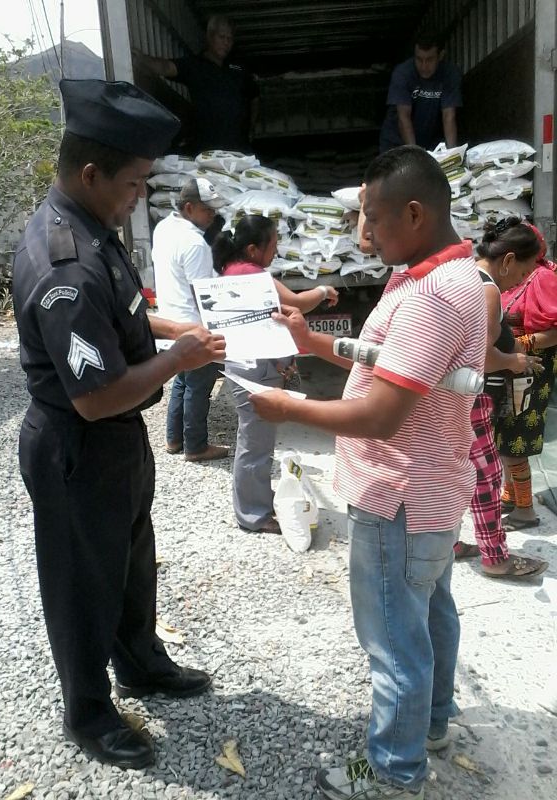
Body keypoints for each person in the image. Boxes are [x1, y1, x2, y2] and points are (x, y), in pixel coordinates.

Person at [250, 146, 487, 799]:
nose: (366, 233)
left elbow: (381, 415)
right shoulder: (441, 274)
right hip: (430, 491)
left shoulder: (433, 296)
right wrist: (315, 342)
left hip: (398, 495)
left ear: (413, 213)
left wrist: (288, 407)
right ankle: (431, 726)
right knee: (430, 614)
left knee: (393, 642)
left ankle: (392, 769)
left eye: (374, 219)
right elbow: (386, 356)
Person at [12, 78, 226, 770]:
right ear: (90, 173)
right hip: (79, 444)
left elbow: (124, 315)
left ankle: (140, 662)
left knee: (130, 559)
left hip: (117, 441)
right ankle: (89, 714)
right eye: (132, 183)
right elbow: (96, 396)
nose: (139, 196)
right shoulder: (64, 265)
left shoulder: (95, 231)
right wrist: (180, 360)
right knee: (82, 581)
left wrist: (175, 330)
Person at [212, 215, 338, 534]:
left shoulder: (231, 270)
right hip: (254, 368)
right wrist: (323, 289)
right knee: (255, 442)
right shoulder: (253, 275)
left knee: (254, 439)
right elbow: (297, 303)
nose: (276, 251)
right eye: (273, 245)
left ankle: (256, 503)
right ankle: (253, 515)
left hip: (245, 364)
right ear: (253, 249)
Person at [453, 218, 548, 579]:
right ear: (508, 261)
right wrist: (514, 361)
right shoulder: (488, 289)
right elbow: (480, 354)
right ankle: (495, 558)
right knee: (487, 476)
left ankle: (449, 542)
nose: (521, 281)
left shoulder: (462, 273)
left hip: (450, 392)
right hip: (471, 394)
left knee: (454, 471)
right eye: (523, 272)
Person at [152, 177, 229, 461]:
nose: (212, 215)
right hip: (194, 325)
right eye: (207, 209)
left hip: (170, 322)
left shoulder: (163, 228)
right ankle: (196, 446)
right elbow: (203, 295)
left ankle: (174, 440)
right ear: (189, 207)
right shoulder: (195, 243)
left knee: (182, 381)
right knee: (199, 386)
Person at [496, 224, 557, 529]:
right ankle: (510, 495)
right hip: (510, 365)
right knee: (504, 436)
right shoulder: (511, 276)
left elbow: (555, 330)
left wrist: (520, 344)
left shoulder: (543, 277)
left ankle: (525, 510)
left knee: (514, 440)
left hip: (530, 369)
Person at [135, 15, 258, 154]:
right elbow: (166, 67)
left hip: (239, 149)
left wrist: (252, 127)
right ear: (210, 36)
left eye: (230, 39)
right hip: (206, 150)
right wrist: (142, 59)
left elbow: (254, 97)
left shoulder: (239, 69)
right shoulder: (194, 66)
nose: (226, 43)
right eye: (222, 37)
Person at [380, 32, 462, 153]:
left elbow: (448, 116)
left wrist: (453, 154)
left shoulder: (450, 74)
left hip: (429, 141)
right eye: (419, 59)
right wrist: (416, 155)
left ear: (441, 56)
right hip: (396, 143)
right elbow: (403, 117)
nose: (424, 66)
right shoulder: (402, 74)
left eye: (429, 60)